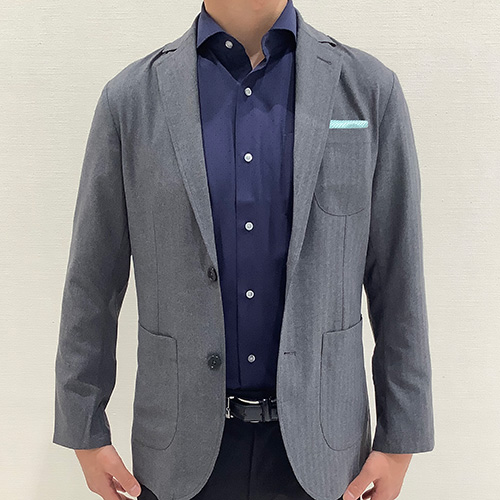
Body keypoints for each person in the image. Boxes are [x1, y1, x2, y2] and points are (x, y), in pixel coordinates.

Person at [52, 0, 435, 499]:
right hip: (179, 452)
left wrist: (400, 439)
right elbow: (92, 278)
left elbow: (399, 276)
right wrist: (83, 427)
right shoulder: (129, 101)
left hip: (326, 455)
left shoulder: (369, 90)